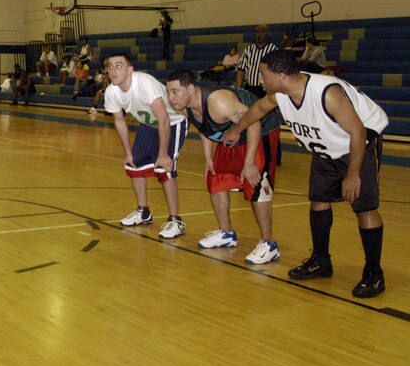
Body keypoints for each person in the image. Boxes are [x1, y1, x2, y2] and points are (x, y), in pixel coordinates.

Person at [222, 49, 389, 298]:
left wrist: (353, 174)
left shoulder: (327, 93)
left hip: (358, 146)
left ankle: (374, 273)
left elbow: (358, 132)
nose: (260, 80)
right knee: (319, 202)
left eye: (263, 74)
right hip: (326, 149)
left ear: (280, 76)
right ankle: (321, 260)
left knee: (364, 207)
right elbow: (258, 109)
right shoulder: (281, 94)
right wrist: (238, 128)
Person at [166, 69, 282, 264]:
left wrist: (249, 163)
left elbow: (253, 124)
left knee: (255, 184)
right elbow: (204, 128)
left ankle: (269, 244)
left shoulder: (218, 101)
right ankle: (227, 233)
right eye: (168, 92)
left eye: (175, 92)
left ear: (192, 88)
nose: (171, 97)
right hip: (233, 134)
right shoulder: (185, 107)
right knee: (215, 177)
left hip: (261, 130)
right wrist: (208, 157)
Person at [104, 53, 188, 239]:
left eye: (119, 65)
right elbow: (119, 122)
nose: (113, 70)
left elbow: (164, 119)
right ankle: (143, 212)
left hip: (173, 123)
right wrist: (128, 152)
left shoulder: (144, 83)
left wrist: (162, 154)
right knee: (134, 164)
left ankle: (176, 220)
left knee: (164, 168)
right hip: (149, 125)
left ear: (130, 70)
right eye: (110, 66)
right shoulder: (111, 92)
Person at [235, 24, 278, 99]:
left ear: (268, 33)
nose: (259, 34)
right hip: (250, 88)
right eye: (257, 32)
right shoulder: (248, 50)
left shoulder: (273, 50)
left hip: (266, 90)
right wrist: (239, 90)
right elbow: (240, 71)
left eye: (262, 31)